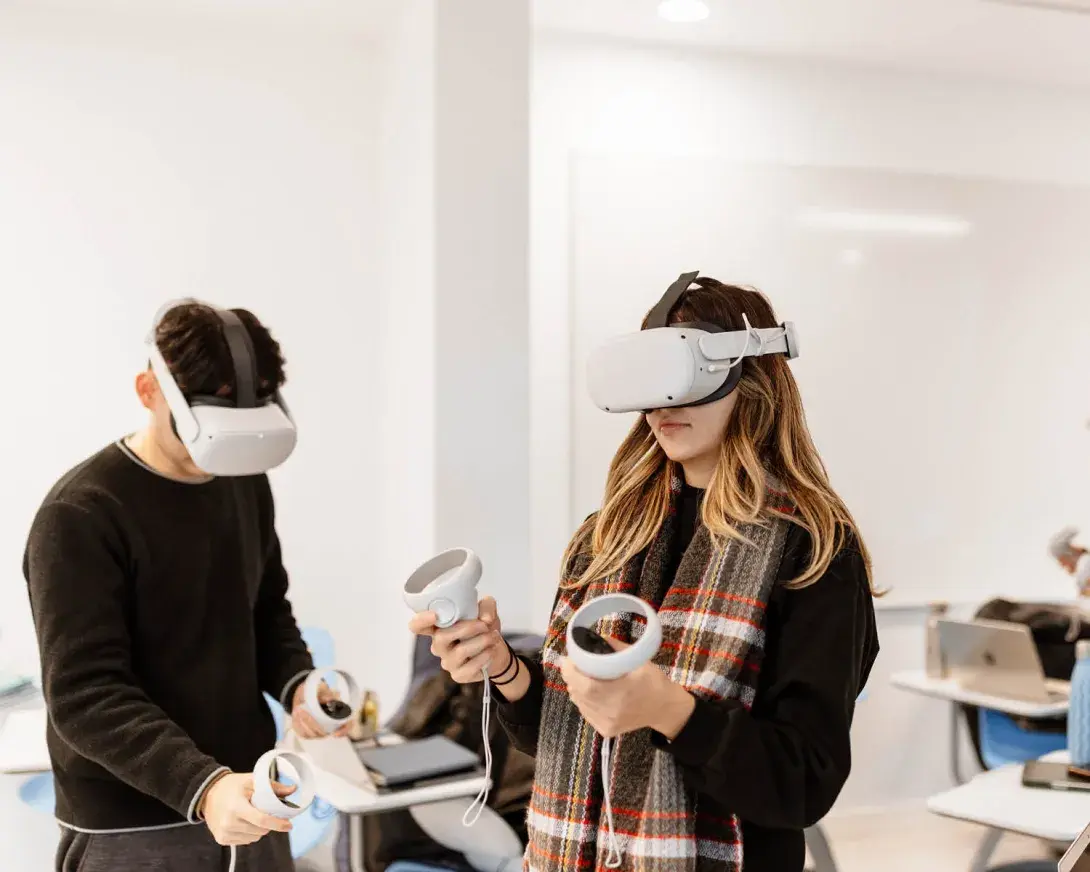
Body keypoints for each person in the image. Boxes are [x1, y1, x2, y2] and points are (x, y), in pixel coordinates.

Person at [410, 276, 880, 872]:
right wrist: (501, 667)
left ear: (753, 379)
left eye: (686, 377)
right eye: (649, 383)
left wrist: (672, 713)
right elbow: (562, 735)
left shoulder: (812, 552)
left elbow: (803, 786)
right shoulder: (606, 538)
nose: (662, 404)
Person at [23, 301, 344, 872]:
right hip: (133, 829)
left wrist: (298, 683)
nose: (228, 452)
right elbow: (84, 695)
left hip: (251, 796)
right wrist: (203, 786)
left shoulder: (244, 483)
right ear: (149, 390)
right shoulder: (80, 515)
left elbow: (265, 609)